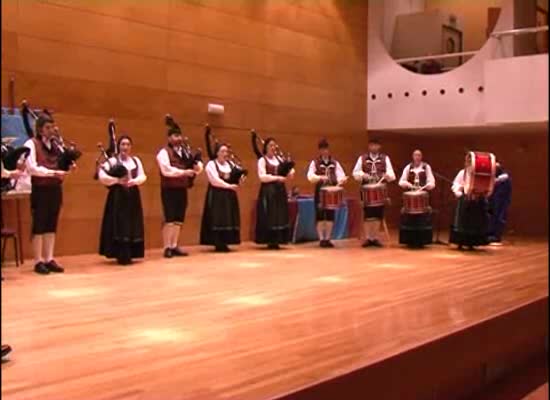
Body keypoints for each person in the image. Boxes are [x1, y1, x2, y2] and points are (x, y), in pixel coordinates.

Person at [24, 113, 75, 274]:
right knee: (39, 225)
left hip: (55, 189)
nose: (51, 130)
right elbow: (32, 167)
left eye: (52, 127)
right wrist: (52, 173)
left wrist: (69, 167)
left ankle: (49, 258)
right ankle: (38, 261)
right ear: (39, 129)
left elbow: (62, 163)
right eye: (47, 127)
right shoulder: (31, 144)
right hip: (40, 189)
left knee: (51, 224)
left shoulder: (56, 145)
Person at [157, 116, 203, 258]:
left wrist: (197, 167)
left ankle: (174, 245)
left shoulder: (185, 152)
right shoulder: (163, 152)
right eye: (175, 136)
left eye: (179, 135)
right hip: (169, 189)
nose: (179, 138)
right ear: (169, 137)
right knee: (169, 218)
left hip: (181, 189)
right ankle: (166, 247)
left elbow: (197, 166)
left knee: (179, 219)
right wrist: (184, 172)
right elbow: (166, 170)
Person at [98, 135, 147, 265]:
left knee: (132, 223)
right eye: (122, 144)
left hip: (132, 195)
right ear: (118, 146)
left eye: (127, 144)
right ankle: (120, 254)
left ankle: (131, 253)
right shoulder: (113, 161)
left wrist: (133, 182)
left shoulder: (136, 161)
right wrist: (117, 181)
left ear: (131, 147)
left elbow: (143, 176)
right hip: (118, 196)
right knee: (119, 223)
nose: (125, 147)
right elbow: (102, 176)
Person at [353, 138, 396, 247]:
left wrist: (387, 176)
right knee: (368, 214)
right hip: (366, 189)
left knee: (377, 213)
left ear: (379, 147)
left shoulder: (385, 158)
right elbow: (355, 172)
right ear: (369, 146)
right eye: (372, 145)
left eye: (376, 145)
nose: (374, 147)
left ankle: (375, 237)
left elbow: (391, 174)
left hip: (379, 189)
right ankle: (368, 238)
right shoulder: (362, 158)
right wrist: (363, 175)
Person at [254, 138, 295, 249]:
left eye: (274, 145)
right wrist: (277, 177)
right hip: (268, 191)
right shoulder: (262, 160)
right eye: (271, 145)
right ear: (266, 147)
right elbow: (262, 177)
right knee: (270, 215)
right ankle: (269, 240)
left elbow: (288, 171)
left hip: (280, 190)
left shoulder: (280, 159)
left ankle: (278, 239)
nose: (273, 147)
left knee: (279, 215)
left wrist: (290, 172)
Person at [200, 143, 241, 252]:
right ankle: (218, 243)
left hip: (229, 195)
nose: (225, 154)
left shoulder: (231, 164)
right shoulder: (211, 164)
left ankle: (226, 242)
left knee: (228, 218)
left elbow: (238, 175)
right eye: (222, 151)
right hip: (217, 195)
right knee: (218, 218)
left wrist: (240, 178)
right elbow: (214, 180)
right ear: (217, 153)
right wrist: (228, 186)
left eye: (226, 151)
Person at [307, 138, 347, 248]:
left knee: (330, 215)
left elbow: (341, 175)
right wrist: (320, 177)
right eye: (322, 149)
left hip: (331, 190)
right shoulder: (315, 162)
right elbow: (310, 176)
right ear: (319, 151)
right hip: (320, 190)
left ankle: (328, 238)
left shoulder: (335, 163)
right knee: (320, 215)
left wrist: (341, 181)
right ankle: (321, 239)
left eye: (326, 149)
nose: (325, 151)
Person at [398, 150, 436, 247]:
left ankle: (422, 241)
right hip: (411, 196)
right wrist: (409, 185)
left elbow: (431, 181)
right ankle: (409, 241)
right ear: (412, 156)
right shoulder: (408, 167)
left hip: (422, 197)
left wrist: (428, 185)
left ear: (421, 157)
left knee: (422, 218)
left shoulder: (426, 167)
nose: (417, 157)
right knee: (409, 217)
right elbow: (401, 181)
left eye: (419, 155)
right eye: (415, 155)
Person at [449, 160, 489, 250]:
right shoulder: (462, 173)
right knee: (462, 222)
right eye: (468, 163)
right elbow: (455, 184)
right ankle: (460, 243)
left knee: (474, 222)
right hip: (465, 199)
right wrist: (458, 192)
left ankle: (471, 243)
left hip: (476, 201)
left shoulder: (478, 174)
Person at [487, 162, 512, 245]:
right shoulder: (498, 177)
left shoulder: (504, 177)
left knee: (499, 217)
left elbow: (495, 181)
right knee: (492, 216)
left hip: (501, 201)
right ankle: (490, 233)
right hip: (495, 200)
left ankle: (496, 236)